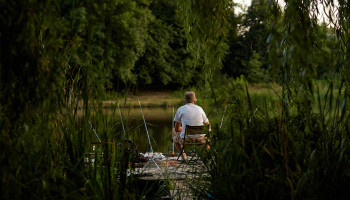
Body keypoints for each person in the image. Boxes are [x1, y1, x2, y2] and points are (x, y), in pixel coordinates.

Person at [172, 91, 211, 160]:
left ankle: (183, 155)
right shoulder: (200, 109)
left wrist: (184, 129)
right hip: (200, 139)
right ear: (194, 101)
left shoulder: (181, 109)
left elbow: (176, 129)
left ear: (185, 101)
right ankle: (207, 155)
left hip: (186, 139)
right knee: (207, 138)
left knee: (173, 131)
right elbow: (208, 126)